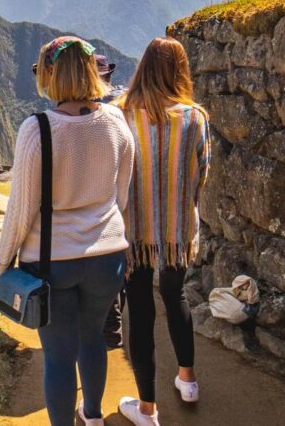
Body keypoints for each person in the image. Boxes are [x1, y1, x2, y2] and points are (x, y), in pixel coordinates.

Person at [0, 36, 134, 426]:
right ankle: (92, 417)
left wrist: (2, 263)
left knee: (58, 354)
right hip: (107, 257)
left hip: (52, 263)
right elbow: (121, 193)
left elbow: (20, 209)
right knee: (93, 340)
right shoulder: (117, 122)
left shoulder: (38, 129)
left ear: (51, 76)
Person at [115, 37, 211, 426]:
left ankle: (148, 409)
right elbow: (203, 172)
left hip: (134, 230)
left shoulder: (121, 114)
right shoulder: (194, 117)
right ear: (179, 71)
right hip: (177, 228)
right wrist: (182, 203)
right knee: (176, 297)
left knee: (139, 311)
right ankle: (187, 380)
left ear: (143, 68)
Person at [96, 54, 127, 349]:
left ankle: (109, 330)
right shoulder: (124, 101)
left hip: (103, 205)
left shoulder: (93, 110)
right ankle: (113, 325)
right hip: (125, 200)